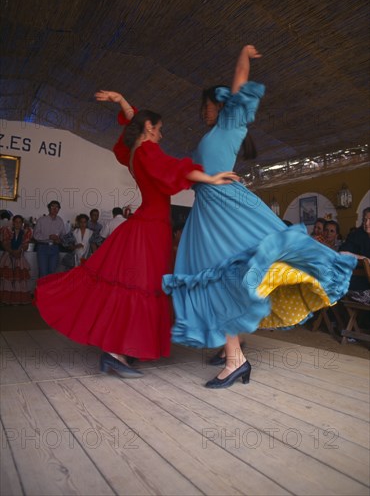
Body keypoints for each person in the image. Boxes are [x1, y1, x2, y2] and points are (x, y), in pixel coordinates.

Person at [162, 44, 357, 389]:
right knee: (215, 279)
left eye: (206, 104)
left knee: (222, 277)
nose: (202, 111)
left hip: (227, 211)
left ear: (219, 105)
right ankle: (231, 350)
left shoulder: (229, 125)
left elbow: (238, 83)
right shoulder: (205, 139)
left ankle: (236, 359)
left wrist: (242, 54)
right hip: (207, 218)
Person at [35, 108, 238, 378]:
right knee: (139, 289)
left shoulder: (133, 152)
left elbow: (149, 144)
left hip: (146, 227)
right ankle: (114, 353)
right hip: (151, 230)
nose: (162, 134)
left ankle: (120, 350)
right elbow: (175, 168)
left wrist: (121, 102)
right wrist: (211, 177)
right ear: (149, 128)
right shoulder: (146, 152)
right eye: (159, 128)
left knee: (131, 289)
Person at [0, 215, 33, 304]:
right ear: (13, 223)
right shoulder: (7, 230)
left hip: (19, 256)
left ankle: (18, 299)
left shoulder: (26, 232)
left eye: (19, 222)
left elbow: (25, 246)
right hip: (8, 255)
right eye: (16, 222)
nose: (17, 224)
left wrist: (20, 250)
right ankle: (7, 299)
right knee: (8, 278)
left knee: (19, 278)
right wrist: (11, 251)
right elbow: (3, 243)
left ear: (22, 223)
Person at [340, 207, 370, 291]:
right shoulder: (357, 234)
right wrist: (363, 258)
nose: (367, 223)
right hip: (358, 282)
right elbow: (342, 253)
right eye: (365, 219)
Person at [33, 201, 66, 277]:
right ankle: (41, 289)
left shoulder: (60, 221)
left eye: (57, 207)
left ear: (59, 209)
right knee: (43, 272)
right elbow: (35, 235)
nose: (55, 209)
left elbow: (63, 236)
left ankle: (49, 289)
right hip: (42, 247)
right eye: (52, 206)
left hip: (54, 248)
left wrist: (59, 240)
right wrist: (49, 237)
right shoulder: (41, 220)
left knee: (52, 272)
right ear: (48, 208)